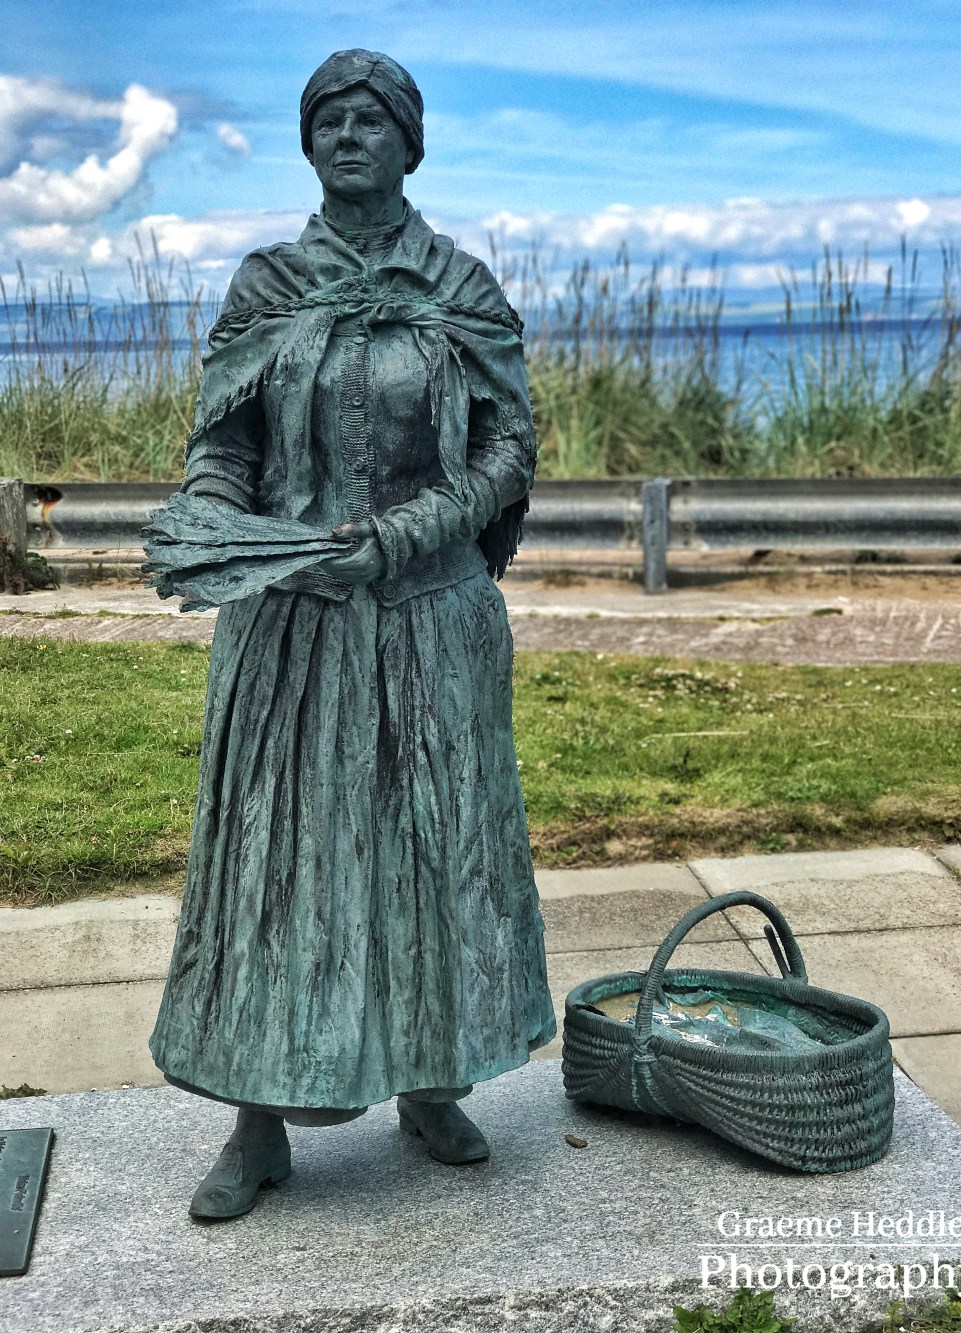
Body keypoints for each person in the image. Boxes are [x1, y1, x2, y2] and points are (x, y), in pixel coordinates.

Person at [145, 48, 556, 1221]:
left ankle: (433, 1080)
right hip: (296, 627)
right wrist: (218, 519)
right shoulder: (267, 284)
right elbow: (223, 446)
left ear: (409, 141)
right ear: (308, 141)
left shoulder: (462, 289)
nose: (348, 134)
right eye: (328, 118)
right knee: (279, 871)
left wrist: (418, 525)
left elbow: (507, 452)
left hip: (432, 621)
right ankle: (257, 1117)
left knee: (437, 854)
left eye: (372, 118)